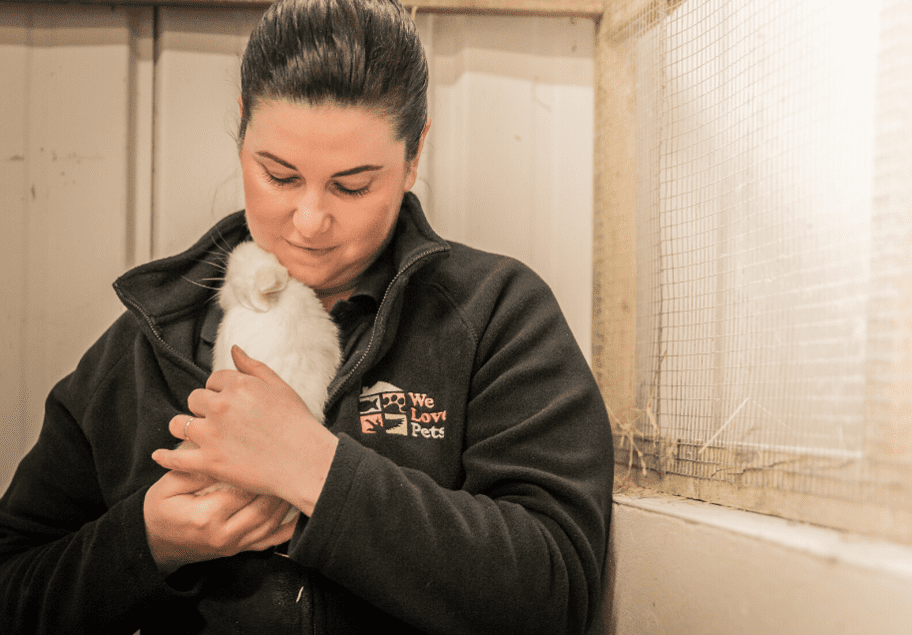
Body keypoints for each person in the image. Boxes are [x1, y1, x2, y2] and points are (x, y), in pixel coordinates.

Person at [0, 0, 614, 632]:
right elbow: (13, 581)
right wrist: (147, 542)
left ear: (415, 155)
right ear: (242, 132)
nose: (310, 220)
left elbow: (554, 593)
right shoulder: (150, 335)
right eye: (280, 176)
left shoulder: (496, 315)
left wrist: (317, 470)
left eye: (352, 186)